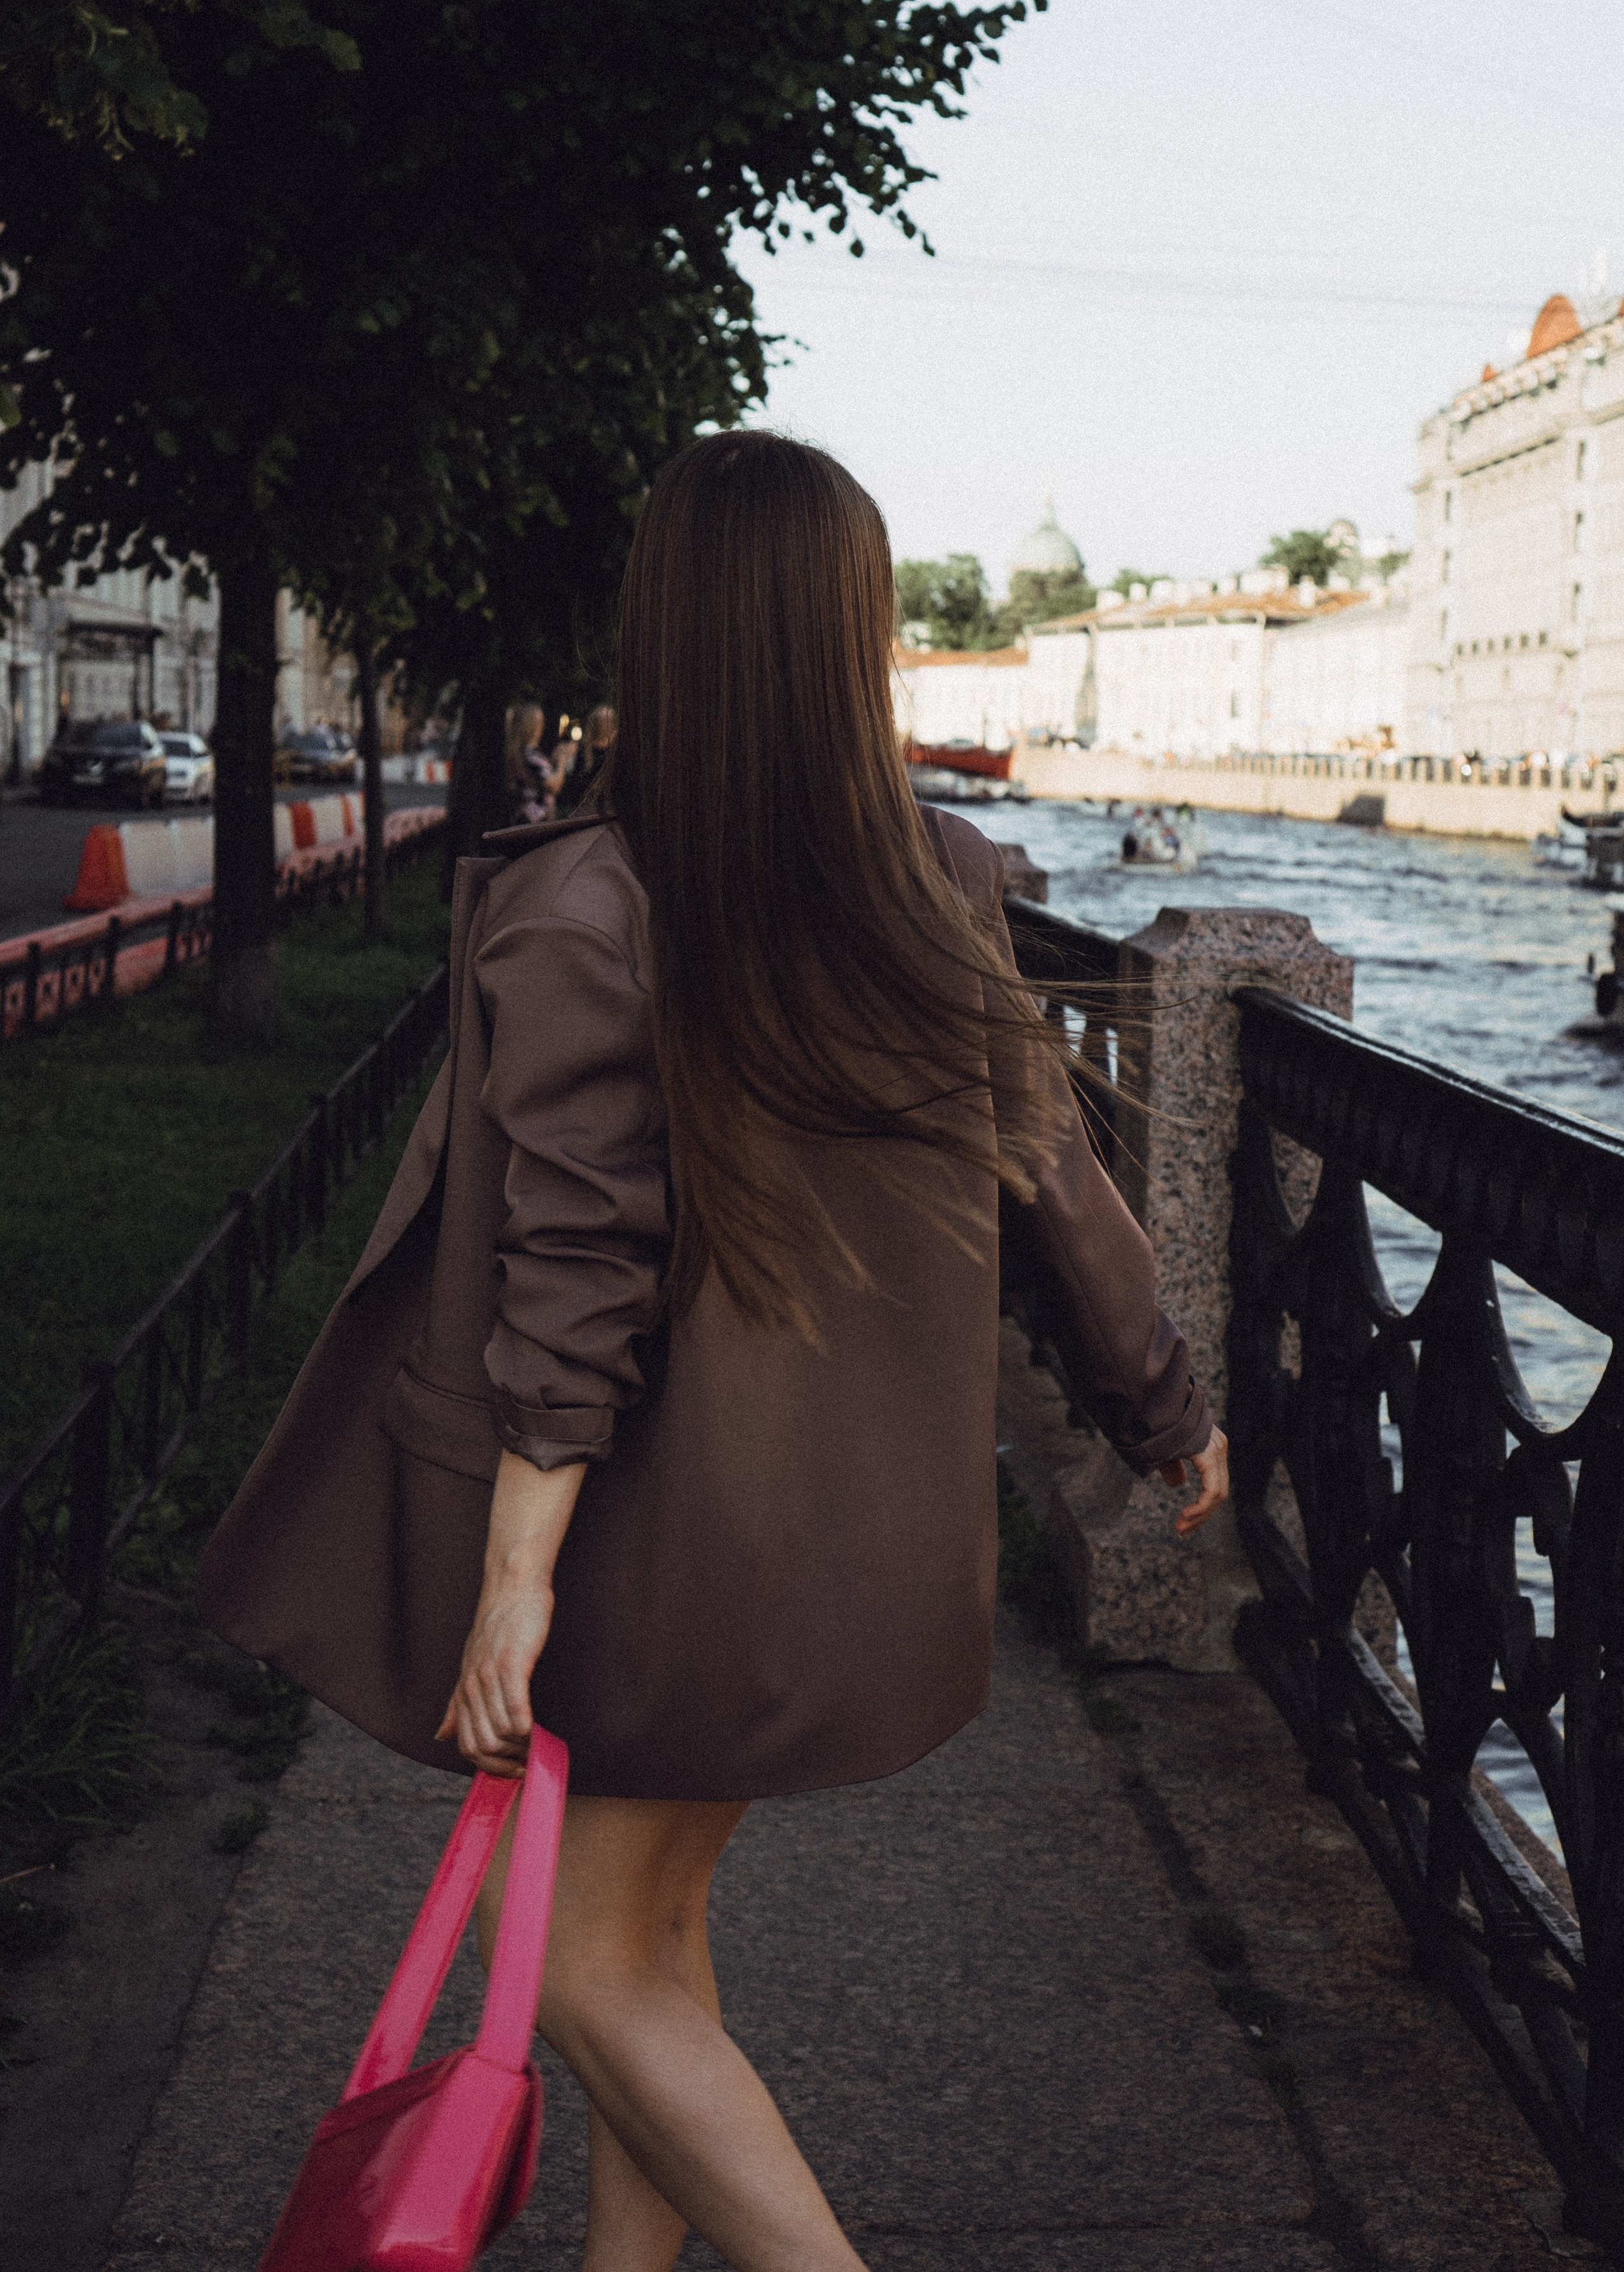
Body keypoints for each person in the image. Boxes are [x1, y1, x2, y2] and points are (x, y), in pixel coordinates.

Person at [197, 431, 1227, 2272]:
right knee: (652, 1942)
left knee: (592, 1976)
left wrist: (513, 1576)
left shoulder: (588, 899)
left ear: (660, 629)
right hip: (863, 1541)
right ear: (850, 640)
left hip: (666, 1550)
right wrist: (1163, 1411)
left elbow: (577, 1270)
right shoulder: (937, 881)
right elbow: (1057, 1177)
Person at [553, 699, 616, 818]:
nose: (607, 724)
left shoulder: (616, 749)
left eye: (610, 720)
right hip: (584, 806)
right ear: (595, 723)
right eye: (603, 720)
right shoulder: (582, 750)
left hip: (608, 807)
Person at [504, 702, 555, 824]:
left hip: (523, 819)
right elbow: (553, 785)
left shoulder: (518, 753)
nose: (543, 726)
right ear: (530, 725)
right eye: (540, 722)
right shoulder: (530, 755)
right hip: (533, 821)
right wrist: (563, 759)